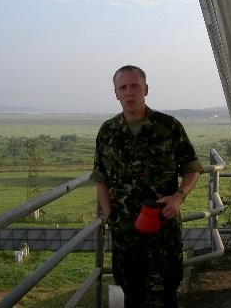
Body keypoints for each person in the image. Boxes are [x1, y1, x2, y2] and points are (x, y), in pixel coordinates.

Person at [90, 65, 203, 307]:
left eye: (134, 86)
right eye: (123, 88)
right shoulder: (107, 132)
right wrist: (111, 216)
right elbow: (101, 180)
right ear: (116, 93)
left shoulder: (168, 127)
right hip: (125, 235)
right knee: (133, 295)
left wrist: (179, 196)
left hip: (163, 232)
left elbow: (193, 168)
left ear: (146, 89)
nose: (129, 92)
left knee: (166, 294)